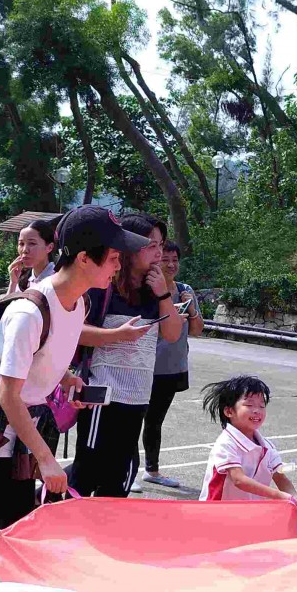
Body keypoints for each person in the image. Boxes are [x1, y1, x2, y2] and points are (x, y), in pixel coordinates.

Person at [0, 205, 138, 533]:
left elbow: (41, 356)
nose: (119, 267)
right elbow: (8, 396)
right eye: (114, 258)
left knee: (17, 530)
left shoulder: (79, 303)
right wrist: (47, 459)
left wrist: (66, 377)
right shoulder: (29, 314)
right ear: (84, 259)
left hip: (22, 440)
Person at [68, 211, 181, 498]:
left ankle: (105, 526)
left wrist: (163, 294)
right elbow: (74, 331)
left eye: (161, 244)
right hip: (101, 396)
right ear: (130, 246)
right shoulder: (103, 287)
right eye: (152, 245)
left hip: (138, 397)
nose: (159, 253)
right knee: (87, 471)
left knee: (119, 476)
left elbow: (172, 334)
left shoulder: (155, 289)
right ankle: (66, 521)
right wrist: (117, 335)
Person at [141, 240, 203, 489]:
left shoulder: (185, 290)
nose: (170, 264)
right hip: (146, 367)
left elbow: (197, 331)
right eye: (165, 259)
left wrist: (192, 310)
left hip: (172, 368)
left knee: (155, 421)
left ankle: (152, 470)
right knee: (133, 420)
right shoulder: (146, 291)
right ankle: (128, 472)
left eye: (174, 260)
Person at [198, 375, 297, 506]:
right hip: (216, 510)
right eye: (249, 405)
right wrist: (280, 496)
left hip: (250, 511)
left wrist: (295, 497)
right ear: (229, 411)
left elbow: (281, 478)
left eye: (262, 406)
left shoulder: (268, 447)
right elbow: (239, 479)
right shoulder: (226, 443)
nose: (257, 411)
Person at [8, 217, 58, 292]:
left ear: (49, 247)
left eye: (32, 243)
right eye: (21, 244)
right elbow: (10, 300)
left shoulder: (58, 279)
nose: (25, 250)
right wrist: (13, 283)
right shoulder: (23, 280)